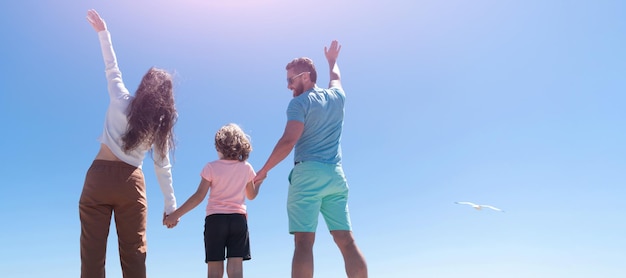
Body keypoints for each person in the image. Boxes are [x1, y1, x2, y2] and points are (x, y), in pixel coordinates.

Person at [254, 41, 368, 278]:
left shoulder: (299, 103)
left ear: (305, 77)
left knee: (304, 242)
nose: (288, 86)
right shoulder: (337, 96)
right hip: (336, 175)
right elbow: (335, 77)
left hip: (308, 175)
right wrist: (332, 61)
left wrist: (263, 171)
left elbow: (288, 141)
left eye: (290, 80)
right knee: (346, 240)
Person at [79, 9, 178, 278]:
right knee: (134, 256)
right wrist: (171, 206)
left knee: (92, 256)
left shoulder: (121, 100)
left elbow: (112, 67)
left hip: (99, 177)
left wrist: (103, 32)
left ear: (144, 85)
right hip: (131, 185)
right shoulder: (158, 125)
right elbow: (162, 166)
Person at [164, 123, 261, 278]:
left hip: (215, 221)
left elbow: (198, 197)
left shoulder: (211, 167)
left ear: (219, 147)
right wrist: (259, 182)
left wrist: (175, 214)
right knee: (236, 269)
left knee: (214, 270)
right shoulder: (247, 168)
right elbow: (251, 195)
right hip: (238, 220)